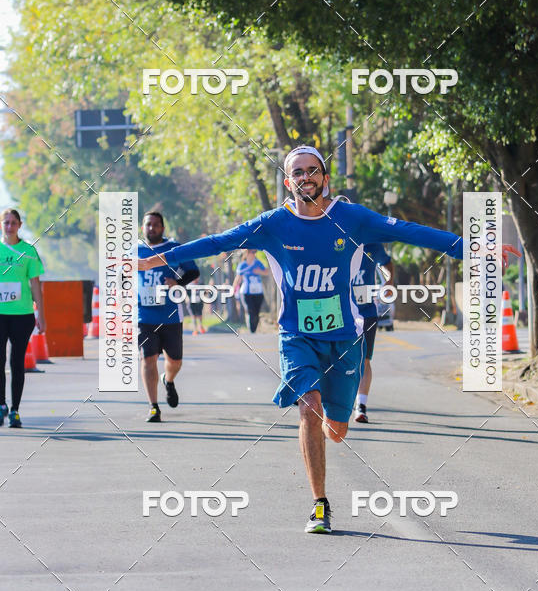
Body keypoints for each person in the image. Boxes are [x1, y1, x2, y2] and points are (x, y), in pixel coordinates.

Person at [138, 146, 518, 532]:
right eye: (297, 172)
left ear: (325, 178)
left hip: (344, 337)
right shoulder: (273, 224)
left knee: (336, 430)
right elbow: (218, 241)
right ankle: (319, 504)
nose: (305, 177)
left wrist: (473, 249)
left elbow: (410, 231)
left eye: (312, 170)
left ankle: (326, 428)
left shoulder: (352, 218)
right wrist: (157, 260)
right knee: (309, 407)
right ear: (288, 182)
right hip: (296, 334)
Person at [137, 212, 199, 422]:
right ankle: (153, 407)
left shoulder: (174, 248)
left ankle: (169, 380)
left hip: (171, 315)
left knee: (175, 362)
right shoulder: (134, 251)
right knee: (148, 360)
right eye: (148, 224)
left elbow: (193, 271)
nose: (152, 228)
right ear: (142, 227)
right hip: (144, 315)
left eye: (156, 225)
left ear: (163, 228)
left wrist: (177, 283)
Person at [0, 208, 45, 428]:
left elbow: (35, 283)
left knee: (17, 362)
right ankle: (1, 405)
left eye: (13, 223)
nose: (9, 226)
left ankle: (15, 410)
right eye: (6, 222)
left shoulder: (28, 251)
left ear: (20, 225)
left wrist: (41, 314)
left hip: (22, 315)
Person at [351, 244, 393, 423]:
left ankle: (361, 406)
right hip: (342, 312)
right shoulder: (338, 239)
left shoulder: (373, 244)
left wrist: (389, 282)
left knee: (364, 360)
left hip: (367, 312)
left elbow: (387, 262)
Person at [233, 249, 269, 333]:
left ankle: (254, 330)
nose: (254, 254)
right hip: (246, 292)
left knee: (256, 312)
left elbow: (267, 272)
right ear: (247, 253)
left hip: (258, 292)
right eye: (252, 252)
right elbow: (238, 278)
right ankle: (252, 331)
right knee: (250, 310)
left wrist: (259, 271)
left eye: (255, 252)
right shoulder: (242, 265)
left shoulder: (258, 263)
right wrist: (233, 288)